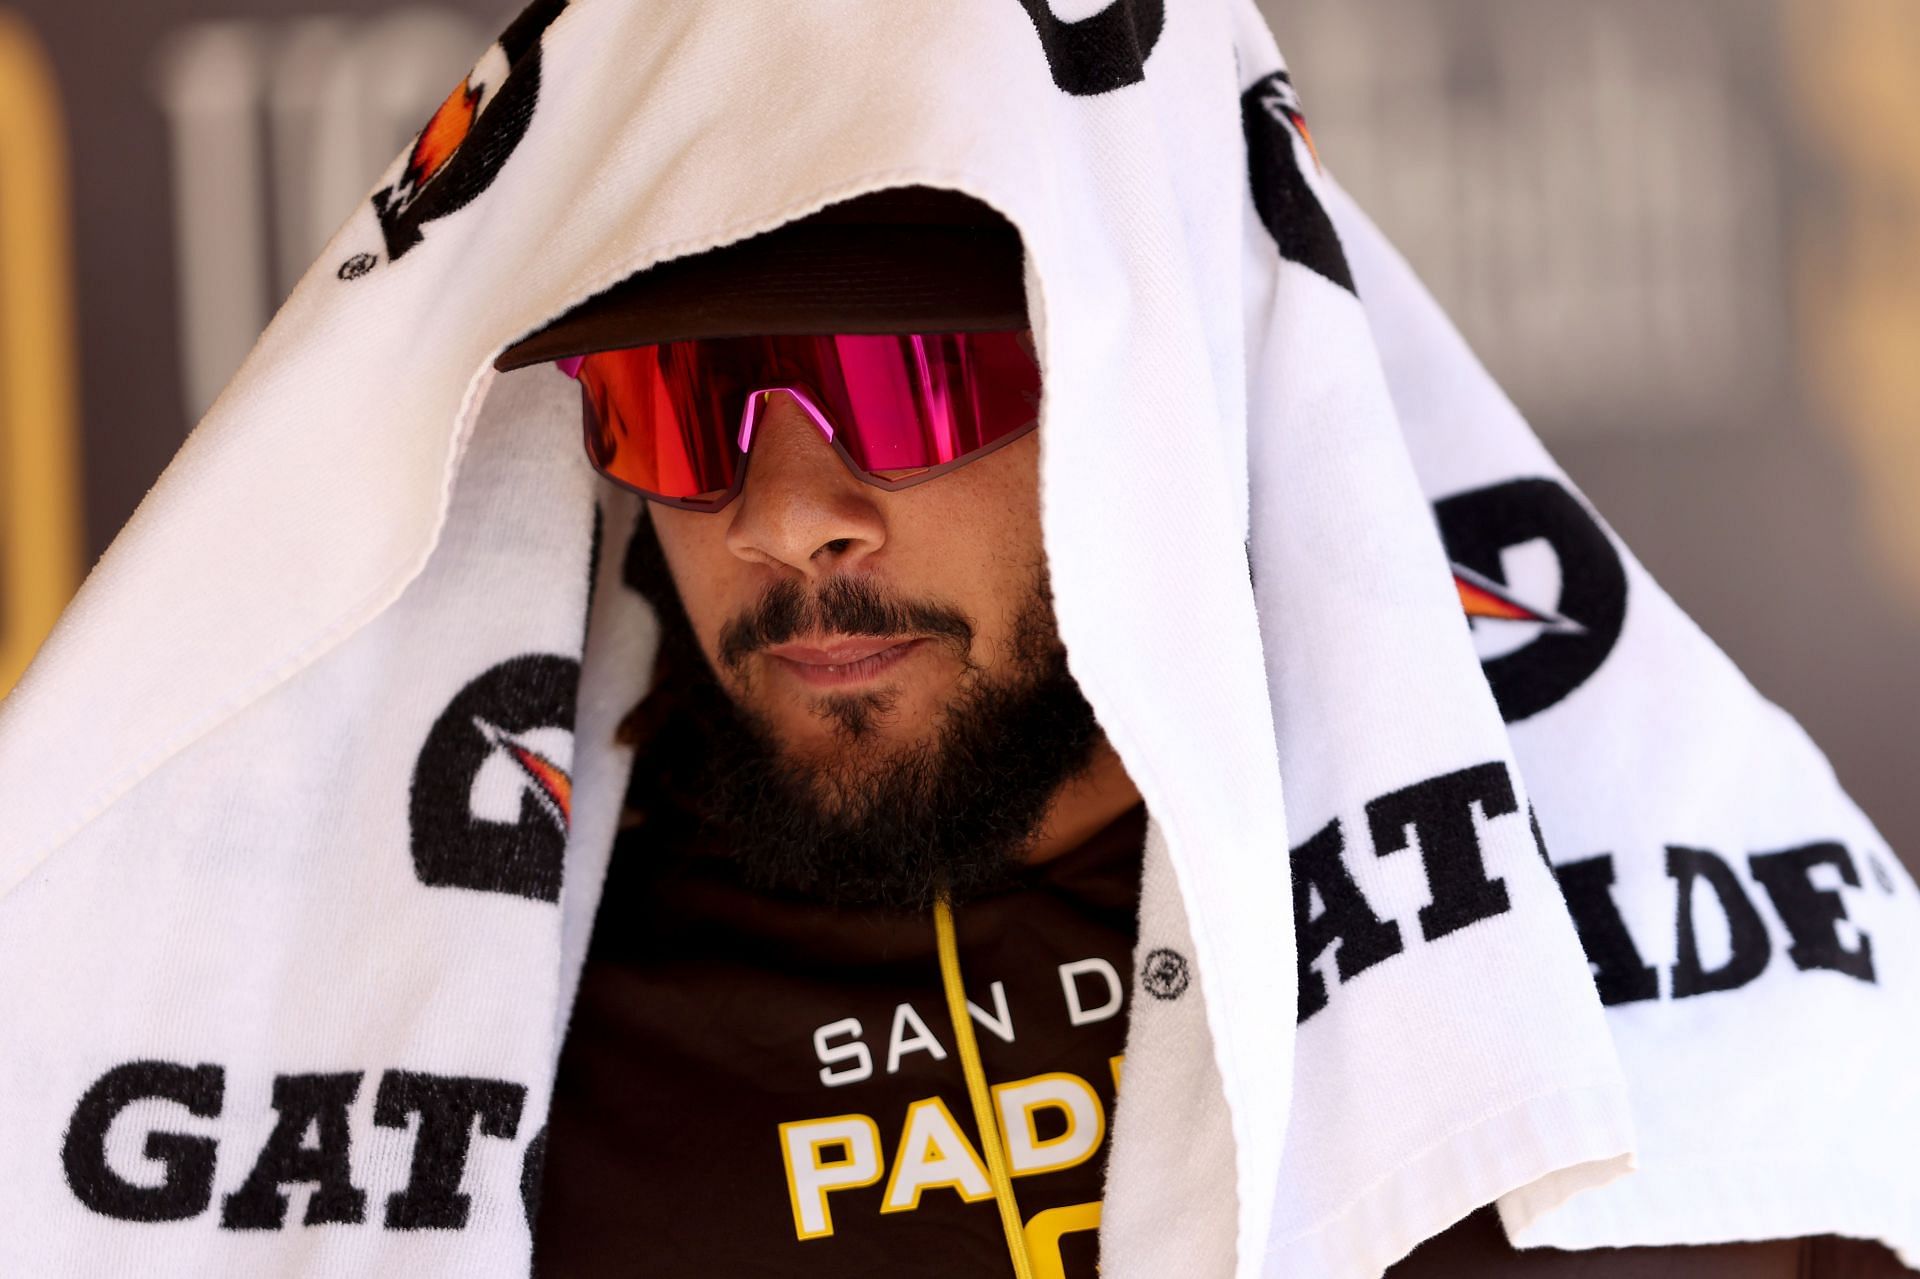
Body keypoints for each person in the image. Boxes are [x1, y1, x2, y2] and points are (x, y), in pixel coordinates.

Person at [4, 4, 1916, 1277]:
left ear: (1162, 372)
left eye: (911, 383)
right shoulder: (451, 1025)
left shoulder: (1668, 1017)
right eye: (682, 406)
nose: (785, 513)